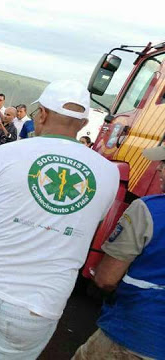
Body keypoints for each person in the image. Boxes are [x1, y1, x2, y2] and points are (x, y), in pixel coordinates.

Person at [0, 80, 120, 359]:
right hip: (40, 304)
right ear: (82, 123)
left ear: (43, 114)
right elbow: (85, 228)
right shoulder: (109, 173)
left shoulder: (7, 154)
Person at [72, 145, 165, 360]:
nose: (158, 168)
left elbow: (106, 279)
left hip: (135, 334)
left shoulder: (148, 209)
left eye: (164, 163)